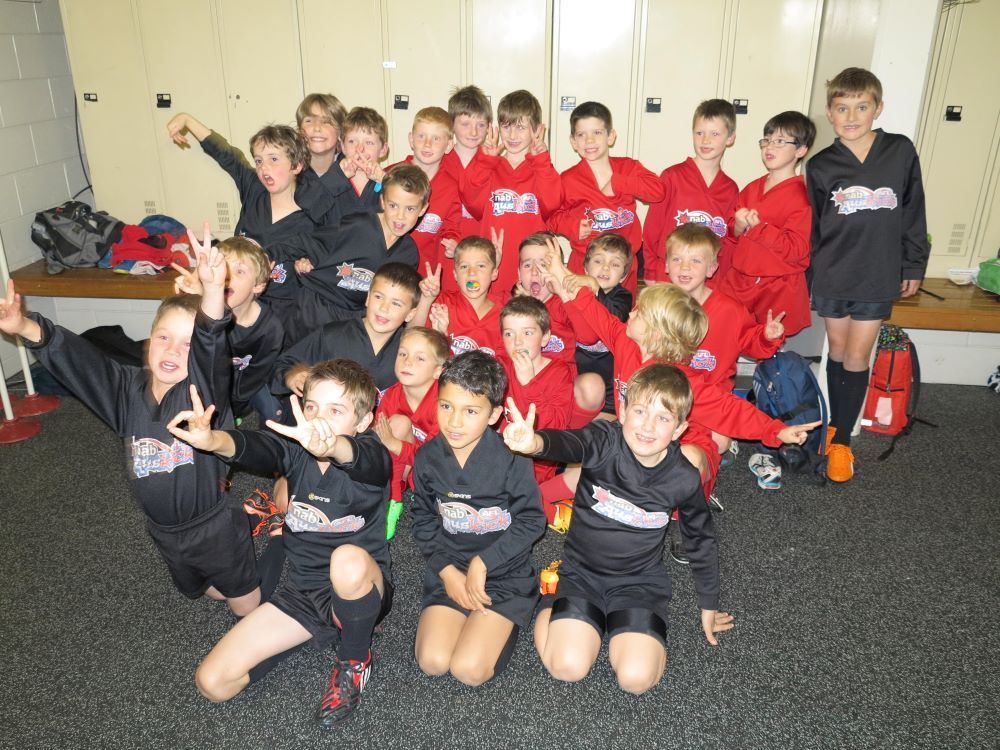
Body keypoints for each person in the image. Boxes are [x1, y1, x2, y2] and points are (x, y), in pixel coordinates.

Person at [0, 229, 260, 616]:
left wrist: (209, 292)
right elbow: (82, 362)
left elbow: (210, 344)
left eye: (186, 344)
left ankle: (266, 595)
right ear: (148, 341)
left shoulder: (200, 391)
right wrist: (25, 327)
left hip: (213, 526)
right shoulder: (126, 392)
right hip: (164, 531)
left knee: (244, 605)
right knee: (202, 589)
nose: (173, 350)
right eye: (164, 338)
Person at [168, 359, 393, 728]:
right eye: (312, 407)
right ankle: (325, 629)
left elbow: (360, 459)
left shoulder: (372, 455)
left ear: (363, 421)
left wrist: (333, 444)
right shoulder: (296, 450)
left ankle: (355, 659)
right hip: (302, 591)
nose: (319, 420)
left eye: (336, 411)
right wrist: (213, 441)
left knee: (347, 561)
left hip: (361, 585)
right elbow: (255, 447)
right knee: (213, 683)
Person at [502, 363, 734, 693]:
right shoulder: (603, 439)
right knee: (567, 667)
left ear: (680, 429)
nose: (648, 426)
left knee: (636, 680)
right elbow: (570, 444)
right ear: (623, 410)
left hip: (639, 583)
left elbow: (700, 538)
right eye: (640, 411)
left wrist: (709, 603)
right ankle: (551, 603)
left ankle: (612, 627)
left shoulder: (682, 477)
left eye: (663, 418)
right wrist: (535, 443)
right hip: (582, 574)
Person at [807, 67, 929, 482]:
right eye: (842, 108)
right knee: (837, 354)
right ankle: (834, 426)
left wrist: (913, 264)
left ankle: (841, 444)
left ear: (878, 107)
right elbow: (815, 228)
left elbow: (913, 211)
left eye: (861, 106)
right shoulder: (821, 165)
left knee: (859, 356)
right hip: (833, 272)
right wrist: (809, 276)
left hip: (877, 273)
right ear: (830, 112)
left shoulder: (899, 151)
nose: (852, 115)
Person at [411, 351, 545, 686]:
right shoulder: (427, 457)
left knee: (467, 670)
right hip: (452, 567)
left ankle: (508, 621)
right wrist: (448, 572)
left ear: (494, 415)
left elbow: (531, 521)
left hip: (503, 574)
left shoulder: (511, 459)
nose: (454, 422)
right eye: (446, 406)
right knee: (432, 661)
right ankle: (469, 616)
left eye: (470, 411)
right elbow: (424, 518)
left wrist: (483, 564)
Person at [165, 114, 333, 323]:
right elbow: (227, 155)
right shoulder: (255, 190)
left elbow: (332, 253)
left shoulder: (315, 213)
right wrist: (187, 120)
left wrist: (313, 261)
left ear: (297, 165)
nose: (264, 168)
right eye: (259, 161)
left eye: (274, 159)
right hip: (238, 310)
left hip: (287, 317)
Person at [285, 163, 427, 333]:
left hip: (354, 322)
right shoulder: (357, 225)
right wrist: (269, 257)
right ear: (382, 201)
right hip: (315, 309)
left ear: (422, 209)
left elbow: (398, 304)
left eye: (410, 208)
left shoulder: (408, 255)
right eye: (393, 205)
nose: (400, 216)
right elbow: (301, 243)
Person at [547, 100, 664, 294]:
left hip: (623, 267)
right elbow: (550, 217)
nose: (589, 141)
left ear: (611, 136)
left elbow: (658, 191)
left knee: (620, 320)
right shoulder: (568, 179)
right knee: (582, 318)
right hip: (584, 266)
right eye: (582, 135)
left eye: (597, 133)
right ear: (573, 142)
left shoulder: (629, 167)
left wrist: (618, 183)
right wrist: (571, 226)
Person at [716, 111, 816, 337]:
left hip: (775, 287)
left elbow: (798, 249)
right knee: (725, 336)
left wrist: (760, 229)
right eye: (767, 140)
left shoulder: (802, 196)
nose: (770, 147)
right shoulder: (752, 187)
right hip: (740, 282)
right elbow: (732, 231)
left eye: (780, 141)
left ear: (801, 150)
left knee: (768, 344)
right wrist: (739, 225)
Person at [459, 89, 562, 297]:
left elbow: (552, 204)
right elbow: (472, 202)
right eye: (506, 127)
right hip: (493, 265)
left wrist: (540, 161)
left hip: (532, 270)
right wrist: (485, 161)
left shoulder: (542, 168)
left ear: (537, 129)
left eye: (521, 128)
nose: (512, 136)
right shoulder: (490, 164)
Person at [172, 236, 285, 420]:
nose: (225, 277)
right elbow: (196, 357)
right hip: (204, 383)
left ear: (258, 286)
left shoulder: (271, 329)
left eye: (239, 271)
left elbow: (254, 379)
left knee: (274, 412)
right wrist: (193, 300)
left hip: (244, 391)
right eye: (223, 268)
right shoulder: (205, 312)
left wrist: (227, 410)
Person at [664, 223, 784, 393]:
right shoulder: (653, 306)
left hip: (713, 400)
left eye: (696, 260)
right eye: (677, 259)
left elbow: (752, 342)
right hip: (663, 399)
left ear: (711, 269)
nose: (685, 267)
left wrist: (767, 337)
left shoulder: (730, 311)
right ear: (666, 264)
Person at [642, 99, 738, 283]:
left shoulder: (730, 189)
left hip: (707, 281)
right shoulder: (672, 176)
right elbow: (652, 229)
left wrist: (722, 281)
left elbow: (727, 243)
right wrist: (651, 272)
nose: (706, 140)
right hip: (669, 276)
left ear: (730, 138)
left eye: (715, 134)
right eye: (699, 133)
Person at [497, 295, 574, 520]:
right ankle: (533, 503)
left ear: (545, 338)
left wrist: (530, 383)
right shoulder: (501, 365)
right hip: (501, 458)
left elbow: (557, 426)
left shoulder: (560, 372)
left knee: (583, 473)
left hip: (537, 463)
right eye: (509, 333)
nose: (517, 342)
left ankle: (536, 503)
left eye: (527, 333)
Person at [372, 326, 451, 538]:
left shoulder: (444, 404)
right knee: (396, 423)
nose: (407, 362)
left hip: (437, 468)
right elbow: (378, 442)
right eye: (403, 354)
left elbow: (435, 457)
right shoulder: (392, 395)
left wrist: (394, 444)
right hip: (402, 467)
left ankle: (423, 496)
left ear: (438, 371)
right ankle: (393, 500)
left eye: (420, 358)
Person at [388, 107, 463, 272]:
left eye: (436, 138)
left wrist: (453, 241)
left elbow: (452, 225)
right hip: (385, 270)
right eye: (421, 136)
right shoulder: (390, 175)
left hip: (422, 275)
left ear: (449, 145)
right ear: (411, 139)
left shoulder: (450, 187)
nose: (427, 144)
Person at [571, 233, 634, 415]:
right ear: (585, 268)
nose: (606, 267)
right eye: (598, 261)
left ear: (623, 276)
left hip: (608, 387)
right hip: (576, 381)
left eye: (615, 264)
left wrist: (595, 289)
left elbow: (614, 315)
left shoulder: (623, 296)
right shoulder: (574, 293)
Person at [415, 235, 506, 358]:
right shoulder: (443, 302)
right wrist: (426, 299)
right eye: (464, 266)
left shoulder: (505, 313)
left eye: (481, 266)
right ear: (455, 275)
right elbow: (413, 333)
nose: (472, 272)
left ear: (494, 273)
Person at [444, 85, 493, 253]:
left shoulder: (493, 162)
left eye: (480, 124)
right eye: (465, 124)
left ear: (489, 126)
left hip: (482, 246)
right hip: (447, 245)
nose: (473, 131)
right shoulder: (440, 161)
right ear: (451, 125)